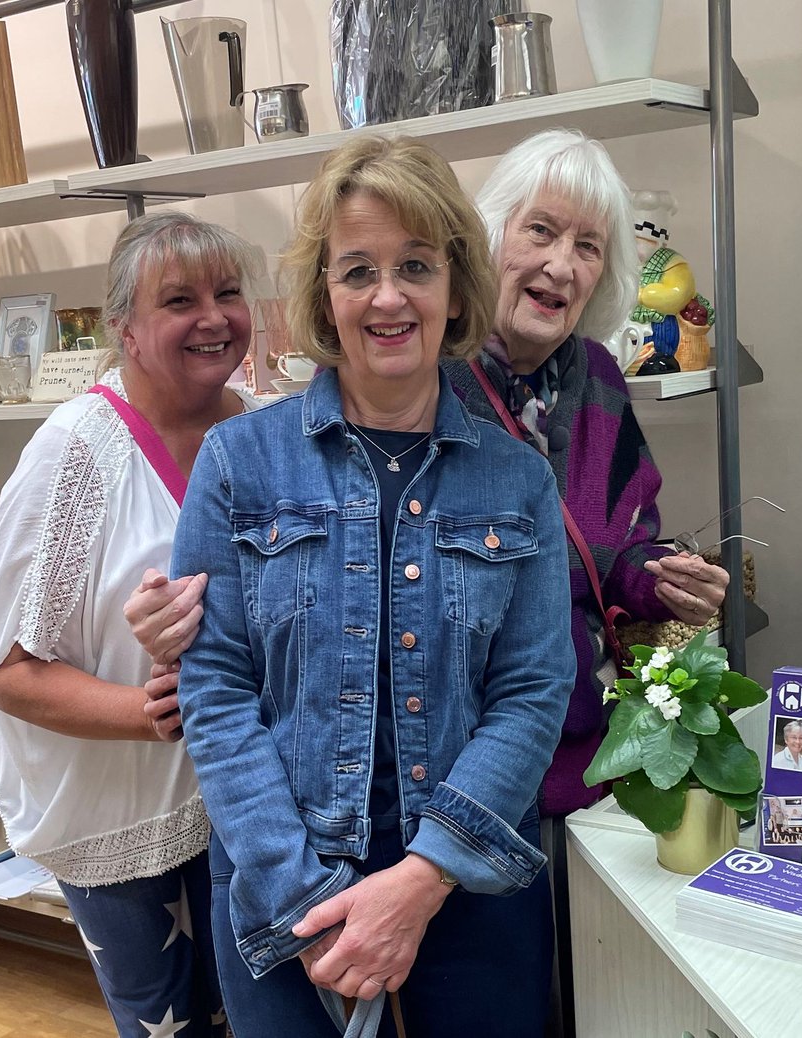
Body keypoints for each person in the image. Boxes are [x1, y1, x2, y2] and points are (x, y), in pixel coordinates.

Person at [168, 135, 573, 1038]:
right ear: (325, 295)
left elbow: (534, 691)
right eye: (358, 271)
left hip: (470, 875)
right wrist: (302, 898)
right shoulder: (238, 464)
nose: (388, 297)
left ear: (456, 289)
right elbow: (216, 689)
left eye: (416, 266)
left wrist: (421, 880)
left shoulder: (519, 481)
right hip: (283, 877)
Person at [0, 211, 264, 1037]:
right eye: (179, 300)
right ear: (124, 328)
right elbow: (5, 672)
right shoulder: (75, 454)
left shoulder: (262, 427)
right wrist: (146, 714)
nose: (213, 317)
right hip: (122, 822)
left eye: (228, 292)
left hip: (246, 800)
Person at [444, 129, 729, 818]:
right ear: (492, 235)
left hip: (586, 754)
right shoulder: (430, 380)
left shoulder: (597, 375)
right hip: (463, 766)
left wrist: (666, 581)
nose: (561, 265)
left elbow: (624, 541)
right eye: (540, 231)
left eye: (588, 246)